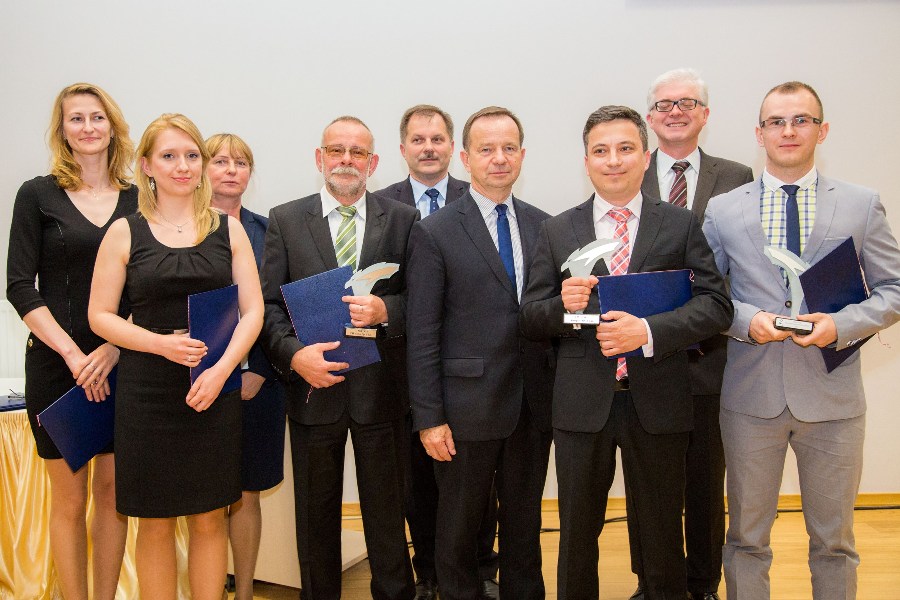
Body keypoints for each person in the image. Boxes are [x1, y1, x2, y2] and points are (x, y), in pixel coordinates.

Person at [519, 105, 732, 600]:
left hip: (659, 399)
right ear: (586, 161)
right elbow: (529, 317)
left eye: (625, 149)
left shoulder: (679, 224)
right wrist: (563, 306)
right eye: (601, 151)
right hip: (582, 404)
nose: (613, 160)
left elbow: (716, 305)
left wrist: (649, 331)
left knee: (662, 536)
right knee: (576, 536)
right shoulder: (558, 230)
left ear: (645, 156)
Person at [702, 81, 900, 600]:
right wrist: (747, 320)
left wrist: (842, 325)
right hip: (750, 398)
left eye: (801, 120)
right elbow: (706, 294)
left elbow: (894, 289)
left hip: (833, 401)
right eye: (776, 122)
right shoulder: (723, 210)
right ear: (759, 134)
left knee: (834, 542)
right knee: (746, 540)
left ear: (822, 130)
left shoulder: (860, 204)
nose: (788, 131)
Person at [88, 113, 264, 600]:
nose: (183, 166)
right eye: (169, 156)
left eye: (191, 155)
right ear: (147, 165)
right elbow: (99, 315)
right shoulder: (124, 232)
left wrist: (222, 371)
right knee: (155, 521)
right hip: (147, 393)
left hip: (212, 387)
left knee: (210, 517)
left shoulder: (229, 229)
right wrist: (160, 343)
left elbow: (252, 312)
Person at [259, 116, 417, 600]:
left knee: (387, 515)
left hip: (381, 392)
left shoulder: (403, 219)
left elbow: (422, 297)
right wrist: (294, 357)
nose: (346, 160)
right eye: (336, 150)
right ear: (319, 158)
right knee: (315, 516)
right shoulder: (286, 219)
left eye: (357, 152)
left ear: (373, 162)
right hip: (313, 389)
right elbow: (268, 306)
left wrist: (387, 310)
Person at [406, 106, 554, 600]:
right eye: (486, 149)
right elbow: (422, 333)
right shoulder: (435, 230)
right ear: (466, 158)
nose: (499, 158)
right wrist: (429, 418)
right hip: (464, 408)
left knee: (525, 525)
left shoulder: (544, 226)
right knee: (457, 529)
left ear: (522, 155)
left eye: (508, 148)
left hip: (532, 403)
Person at [625, 68, 754, 600]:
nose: (675, 112)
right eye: (663, 105)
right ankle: (652, 581)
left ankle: (701, 583)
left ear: (705, 113)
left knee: (704, 479)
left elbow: (744, 264)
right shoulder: (629, 169)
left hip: (708, 355)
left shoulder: (738, 176)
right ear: (649, 117)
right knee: (648, 484)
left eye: (687, 103)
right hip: (644, 357)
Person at [5, 82, 135, 600]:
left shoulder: (139, 199)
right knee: (69, 500)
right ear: (62, 130)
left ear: (113, 127)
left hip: (121, 361)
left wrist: (114, 347)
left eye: (97, 117)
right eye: (76, 118)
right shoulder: (36, 195)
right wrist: (75, 355)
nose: (88, 127)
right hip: (59, 365)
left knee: (112, 495)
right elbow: (20, 285)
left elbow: (148, 285)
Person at [375, 104, 498, 600]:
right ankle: (427, 572)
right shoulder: (382, 207)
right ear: (402, 149)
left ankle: (482, 568)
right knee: (417, 480)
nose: (428, 148)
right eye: (418, 140)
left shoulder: (482, 197)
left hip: (473, 370)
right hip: (403, 364)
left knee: (476, 479)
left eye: (437, 139)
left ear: (454, 148)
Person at [206, 133, 286, 600]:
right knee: (205, 497)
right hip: (198, 381)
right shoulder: (180, 229)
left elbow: (278, 305)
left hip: (260, 382)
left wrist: (258, 368)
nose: (231, 170)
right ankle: (208, 586)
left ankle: (246, 591)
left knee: (247, 492)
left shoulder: (269, 231)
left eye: (241, 162)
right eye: (220, 161)